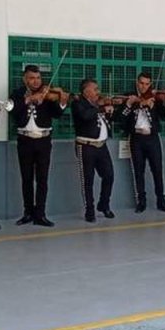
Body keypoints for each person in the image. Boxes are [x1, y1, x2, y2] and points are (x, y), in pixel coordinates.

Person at [10, 65, 68, 227]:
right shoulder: (17, 94)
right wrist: (29, 99)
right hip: (24, 140)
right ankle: (28, 212)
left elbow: (57, 114)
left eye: (38, 78)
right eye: (32, 78)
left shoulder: (47, 93)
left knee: (42, 179)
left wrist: (62, 102)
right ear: (25, 79)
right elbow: (12, 110)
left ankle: (40, 214)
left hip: (43, 140)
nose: (36, 81)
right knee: (26, 178)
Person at [121, 72, 165, 213]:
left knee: (157, 170)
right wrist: (135, 104)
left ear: (150, 84)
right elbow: (121, 118)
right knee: (138, 171)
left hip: (152, 138)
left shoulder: (154, 98)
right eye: (141, 83)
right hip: (136, 138)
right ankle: (141, 201)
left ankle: (161, 200)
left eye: (146, 84)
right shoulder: (130, 97)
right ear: (137, 83)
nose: (144, 87)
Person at [71, 79, 115, 222]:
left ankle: (104, 204)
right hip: (86, 146)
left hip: (101, 145)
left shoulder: (98, 104)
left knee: (109, 175)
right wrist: (100, 107)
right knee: (88, 180)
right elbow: (85, 116)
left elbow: (108, 121)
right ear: (86, 91)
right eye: (95, 89)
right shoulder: (78, 103)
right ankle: (89, 210)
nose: (98, 92)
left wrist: (109, 111)